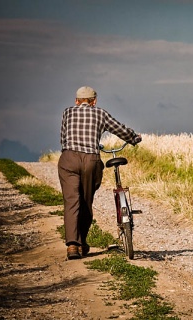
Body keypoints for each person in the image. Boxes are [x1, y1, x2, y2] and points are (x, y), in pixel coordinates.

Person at [58, 86, 141, 260]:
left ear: (76, 101)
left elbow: (63, 137)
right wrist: (133, 138)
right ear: (94, 101)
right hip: (91, 160)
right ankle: (82, 241)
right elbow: (120, 129)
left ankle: (73, 245)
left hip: (69, 158)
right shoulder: (100, 114)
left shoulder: (67, 112)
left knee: (72, 202)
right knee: (86, 201)